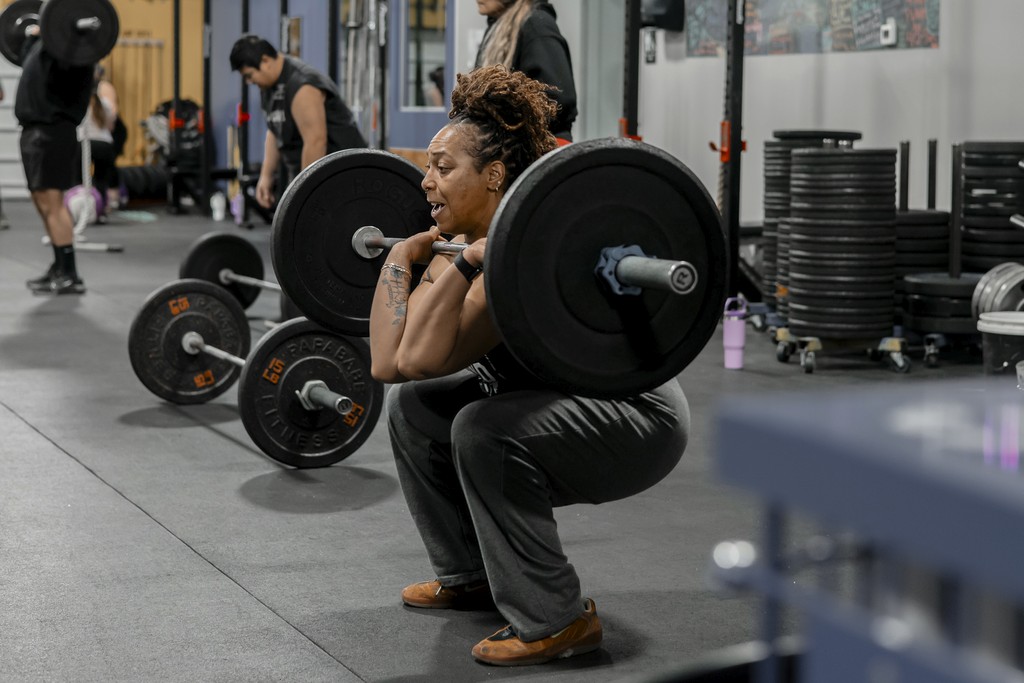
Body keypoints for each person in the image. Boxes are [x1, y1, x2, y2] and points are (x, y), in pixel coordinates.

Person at [369, 66, 689, 666]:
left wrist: (459, 266)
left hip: (638, 418)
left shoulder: (516, 258)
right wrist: (402, 260)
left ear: (493, 176)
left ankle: (555, 620)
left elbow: (413, 354)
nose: (425, 181)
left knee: (483, 430)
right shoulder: (465, 245)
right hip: (566, 402)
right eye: (427, 167)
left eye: (443, 167)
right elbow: (391, 364)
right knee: (413, 408)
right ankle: (469, 574)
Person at [229, 35, 366, 209]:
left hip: (342, 174)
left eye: (249, 75)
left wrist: (304, 194)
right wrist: (266, 176)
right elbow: (274, 129)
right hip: (311, 173)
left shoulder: (302, 86)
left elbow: (315, 142)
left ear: (265, 61)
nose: (249, 82)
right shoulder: (268, 86)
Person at [16, 23, 96, 295]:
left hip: (52, 132)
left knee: (53, 203)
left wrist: (53, 34)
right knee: (42, 202)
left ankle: (70, 274)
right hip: (36, 131)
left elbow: (63, 67)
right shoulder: (45, 49)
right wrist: (32, 37)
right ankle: (59, 266)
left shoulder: (75, 55)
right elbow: (22, 56)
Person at [474, 0, 578, 144]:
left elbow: (558, 103)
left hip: (539, 150)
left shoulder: (536, 26)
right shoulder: (498, 29)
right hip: (511, 147)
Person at [75, 65, 119, 223]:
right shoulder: (105, 104)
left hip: (84, 144)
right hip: (104, 145)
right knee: (101, 180)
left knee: (79, 180)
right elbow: (112, 126)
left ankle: (81, 212)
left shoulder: (78, 103)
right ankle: (100, 213)